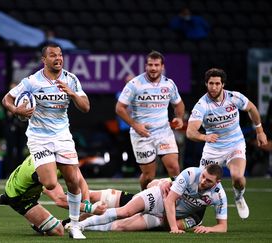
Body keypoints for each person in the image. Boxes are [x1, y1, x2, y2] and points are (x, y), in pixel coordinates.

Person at [1, 43, 90, 239]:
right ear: (44, 60)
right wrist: (17, 110)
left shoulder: (71, 79)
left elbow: (85, 107)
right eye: (53, 55)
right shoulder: (32, 81)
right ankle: (19, 187)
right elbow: (6, 99)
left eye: (60, 55)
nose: (58, 58)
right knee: (49, 183)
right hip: (39, 137)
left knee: (73, 181)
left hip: (63, 137)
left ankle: (75, 226)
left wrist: (72, 93)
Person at [186, 68, 268, 219]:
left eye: (217, 83)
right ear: (206, 84)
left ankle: (239, 196)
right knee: (199, 186)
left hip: (234, 144)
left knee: (237, 177)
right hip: (212, 149)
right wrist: (205, 138)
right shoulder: (202, 105)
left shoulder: (234, 97)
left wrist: (260, 131)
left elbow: (252, 108)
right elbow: (190, 132)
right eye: (211, 83)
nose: (214, 87)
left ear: (223, 84)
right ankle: (190, 215)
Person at [76, 164, 227, 233]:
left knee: (121, 227)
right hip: (159, 198)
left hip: (164, 217)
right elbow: (169, 200)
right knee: (125, 212)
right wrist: (174, 229)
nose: (202, 181)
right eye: (203, 177)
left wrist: (210, 229)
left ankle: (82, 226)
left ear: (217, 183)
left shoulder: (218, 196)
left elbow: (223, 226)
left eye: (208, 181)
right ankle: (79, 225)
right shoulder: (191, 174)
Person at [115, 51, 185, 190]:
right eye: (150, 65)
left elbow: (179, 104)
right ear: (145, 66)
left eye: (156, 65)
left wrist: (179, 117)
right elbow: (119, 108)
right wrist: (135, 126)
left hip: (164, 132)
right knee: (148, 176)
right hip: (142, 135)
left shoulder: (169, 84)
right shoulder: (134, 84)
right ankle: (145, 201)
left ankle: (177, 203)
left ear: (162, 66)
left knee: (174, 167)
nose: (153, 68)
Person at [0, 155, 108, 236]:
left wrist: (87, 202)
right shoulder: (42, 170)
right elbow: (60, 200)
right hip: (20, 197)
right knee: (58, 231)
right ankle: (11, 202)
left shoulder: (64, 155)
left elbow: (80, 181)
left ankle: (5, 198)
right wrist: (91, 208)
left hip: (31, 186)